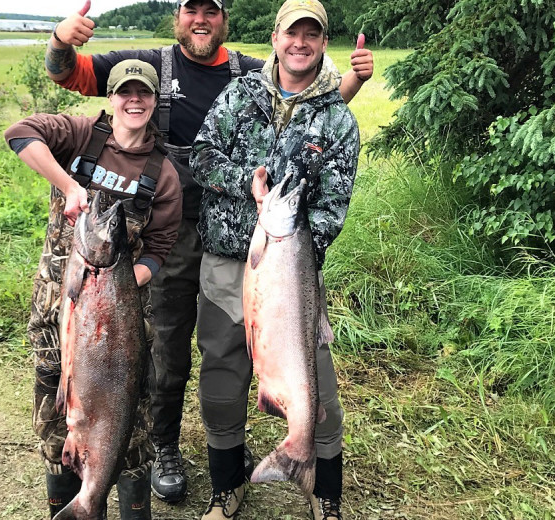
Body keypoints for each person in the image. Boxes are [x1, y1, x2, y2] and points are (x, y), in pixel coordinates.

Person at [46, 0, 373, 503]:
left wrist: (349, 85)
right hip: (176, 233)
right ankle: (174, 453)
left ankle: (305, 479)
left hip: (268, 255)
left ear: (225, 20)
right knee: (172, 350)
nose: (202, 19)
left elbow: (316, 116)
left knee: (288, 365)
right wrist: (60, 41)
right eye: (192, 9)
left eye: (213, 10)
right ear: (179, 16)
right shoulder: (166, 69)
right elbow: (74, 77)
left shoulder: (249, 74)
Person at [189, 0, 360, 518]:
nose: (300, 43)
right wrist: (248, 184)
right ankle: (228, 487)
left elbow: (332, 207)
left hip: (292, 275)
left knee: (315, 384)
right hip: (225, 265)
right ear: (275, 37)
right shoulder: (240, 94)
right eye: (292, 33)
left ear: (323, 43)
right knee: (221, 379)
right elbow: (201, 155)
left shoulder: (338, 120)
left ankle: (322, 493)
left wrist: (291, 245)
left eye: (312, 34)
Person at [4, 59, 182, 520]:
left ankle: (113, 502)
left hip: (119, 325)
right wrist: (67, 185)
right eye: (125, 91)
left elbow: (159, 249)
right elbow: (19, 133)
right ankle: (71, 506)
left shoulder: (163, 173)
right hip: (54, 319)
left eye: (144, 93)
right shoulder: (80, 135)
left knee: (130, 423)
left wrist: (116, 282)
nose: (134, 100)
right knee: (57, 418)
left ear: (155, 100)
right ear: (111, 98)